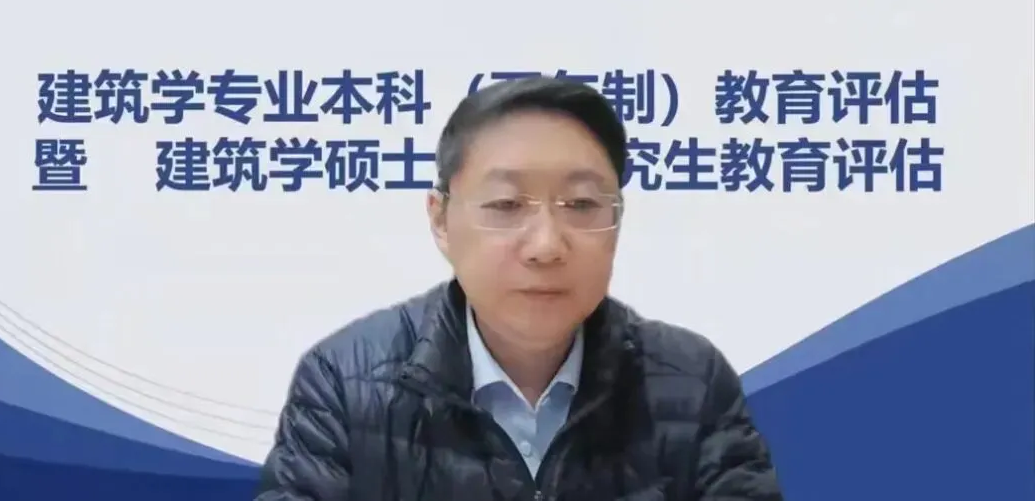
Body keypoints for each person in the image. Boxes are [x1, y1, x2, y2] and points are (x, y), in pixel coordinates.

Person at [255, 76, 785, 500]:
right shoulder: (344, 384)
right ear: (440, 219)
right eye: (506, 205)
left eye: (582, 205)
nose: (546, 246)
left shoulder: (692, 383)